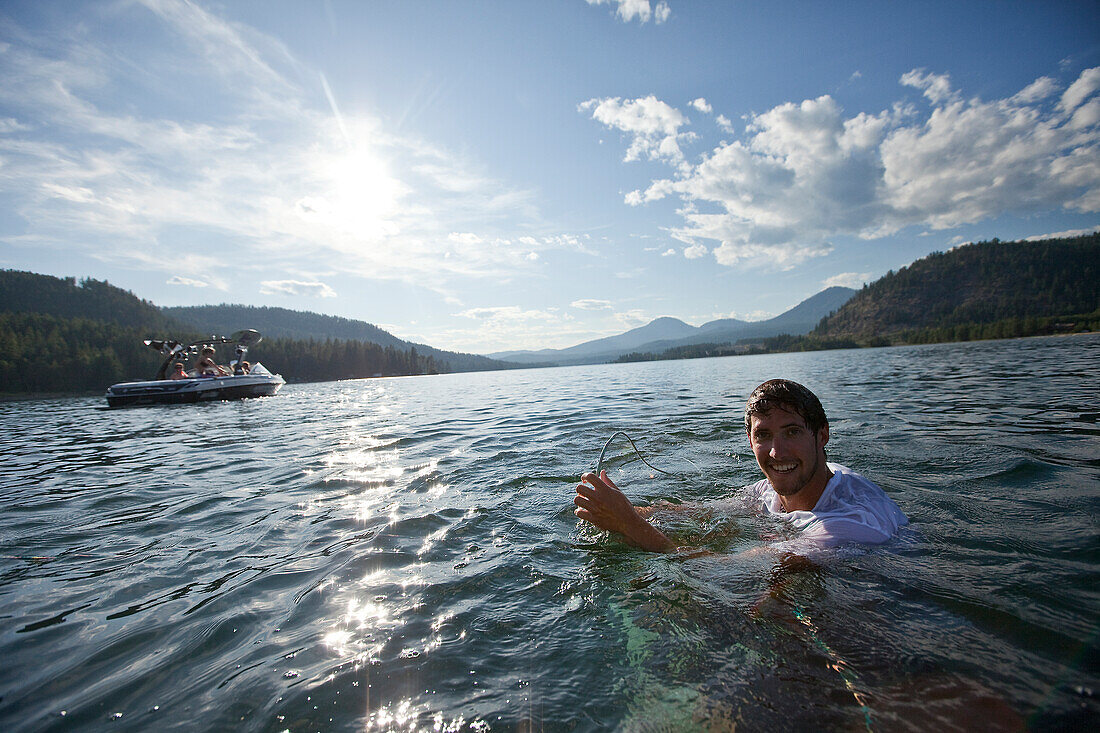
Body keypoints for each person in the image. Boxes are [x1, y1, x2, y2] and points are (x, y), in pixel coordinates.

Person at [573, 379, 908, 554]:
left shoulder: (845, 526)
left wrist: (629, 525)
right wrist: (626, 510)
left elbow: (719, 572)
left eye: (792, 432)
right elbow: (699, 514)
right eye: (764, 435)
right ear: (750, 442)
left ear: (822, 436)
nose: (776, 452)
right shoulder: (767, 491)